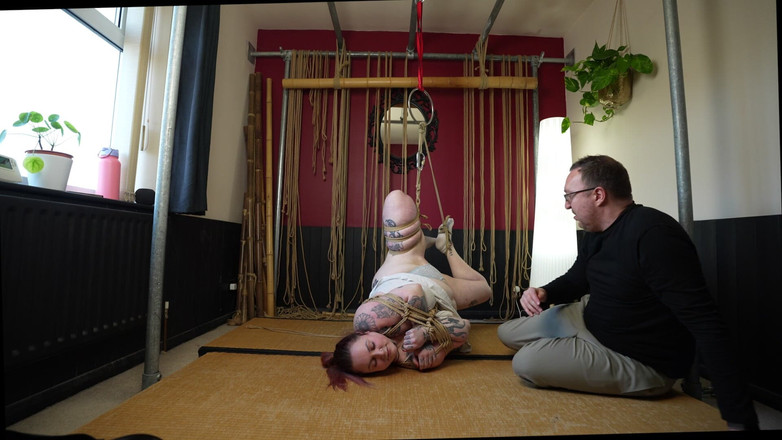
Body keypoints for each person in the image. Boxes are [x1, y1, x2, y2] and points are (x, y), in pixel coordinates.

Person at [497, 155, 758, 430]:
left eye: (569, 196)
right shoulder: (596, 231)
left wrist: (739, 417)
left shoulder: (655, 235)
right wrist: (543, 292)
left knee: (526, 362)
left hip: (635, 358)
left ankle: (570, 350)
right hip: (589, 318)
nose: (566, 204)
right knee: (506, 333)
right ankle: (569, 345)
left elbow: (705, 322)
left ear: (598, 195)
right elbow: (577, 278)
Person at [322, 189, 492, 390]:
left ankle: (417, 245)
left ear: (363, 333)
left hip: (403, 271)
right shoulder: (411, 359)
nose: (381, 353)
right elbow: (463, 327)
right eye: (374, 363)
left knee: (396, 201)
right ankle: (445, 245)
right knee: (484, 290)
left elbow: (414, 290)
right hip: (440, 293)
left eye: (372, 346)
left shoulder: (368, 319)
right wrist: (434, 344)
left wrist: (423, 330)